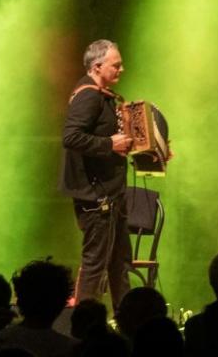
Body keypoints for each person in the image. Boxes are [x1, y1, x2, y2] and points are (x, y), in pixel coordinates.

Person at [61, 39, 167, 311]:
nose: (122, 69)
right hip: (97, 196)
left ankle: (127, 322)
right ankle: (83, 327)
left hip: (113, 193)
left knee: (120, 262)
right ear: (97, 67)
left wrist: (151, 151)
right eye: (116, 65)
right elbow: (71, 137)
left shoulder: (104, 97)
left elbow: (117, 139)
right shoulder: (88, 96)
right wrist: (110, 144)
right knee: (96, 263)